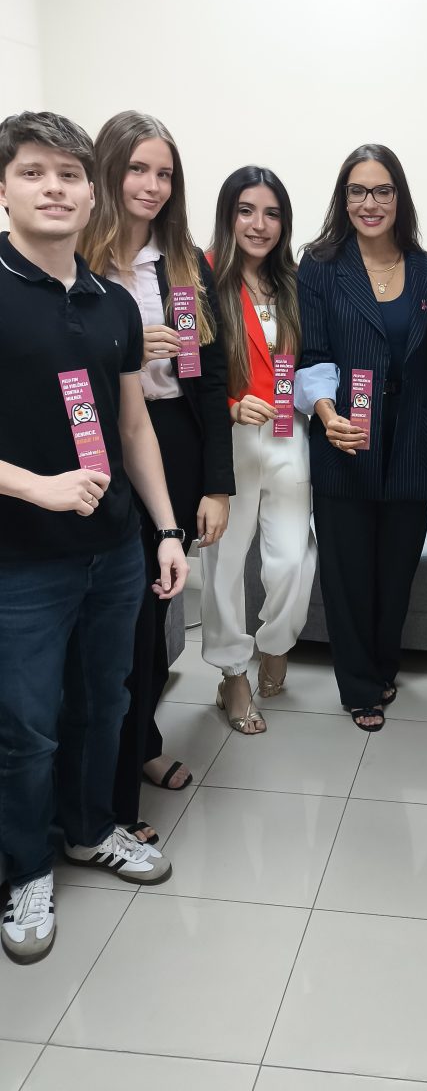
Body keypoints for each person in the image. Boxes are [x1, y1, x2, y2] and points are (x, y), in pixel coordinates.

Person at [0, 111, 188, 966]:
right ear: (5, 188)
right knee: (26, 728)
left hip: (112, 553)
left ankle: (88, 830)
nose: (54, 189)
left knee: (103, 703)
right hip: (20, 562)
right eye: (33, 172)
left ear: (90, 191)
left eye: (69, 175)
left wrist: (165, 528)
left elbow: (132, 425)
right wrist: (35, 486)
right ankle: (25, 871)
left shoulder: (112, 301)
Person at [79, 112, 234, 845]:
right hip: (95, 449)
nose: (151, 185)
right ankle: (103, 781)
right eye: (137, 169)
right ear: (108, 171)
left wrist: (217, 485)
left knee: (149, 619)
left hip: (170, 444)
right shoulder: (77, 259)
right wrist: (124, 346)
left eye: (164, 173)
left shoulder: (183, 265)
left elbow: (210, 378)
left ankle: (138, 745)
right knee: (116, 625)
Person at [296, 145, 427, 731]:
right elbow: (313, 352)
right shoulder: (320, 265)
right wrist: (326, 413)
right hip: (344, 440)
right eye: (357, 191)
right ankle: (357, 684)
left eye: (382, 190)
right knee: (347, 572)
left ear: (399, 197)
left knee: (395, 570)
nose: (369, 203)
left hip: (412, 442)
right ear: (343, 198)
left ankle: (384, 666)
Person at [201, 167, 315, 732]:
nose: (259, 224)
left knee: (294, 557)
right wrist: (229, 406)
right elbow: (189, 369)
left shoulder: (294, 282)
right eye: (246, 210)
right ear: (228, 215)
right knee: (224, 563)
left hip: (290, 434)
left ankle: (274, 643)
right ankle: (232, 673)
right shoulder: (199, 278)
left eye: (272, 213)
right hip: (229, 440)